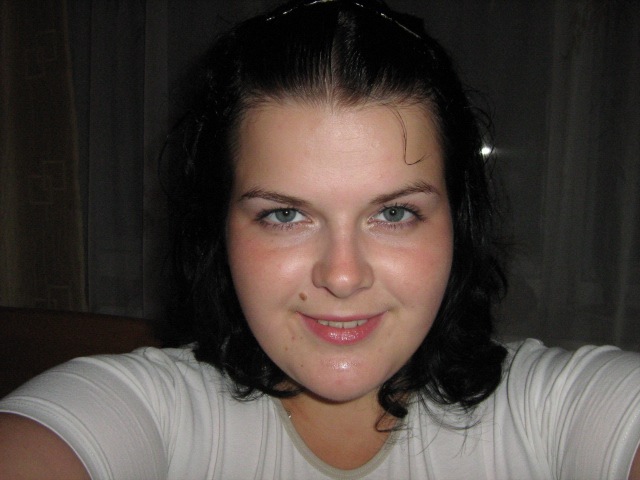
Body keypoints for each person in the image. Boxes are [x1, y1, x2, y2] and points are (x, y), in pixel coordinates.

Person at [1, 0, 640, 478]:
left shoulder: (555, 414)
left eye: (394, 213)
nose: (341, 275)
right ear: (218, 227)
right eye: (285, 215)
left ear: (458, 222)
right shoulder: (144, 414)